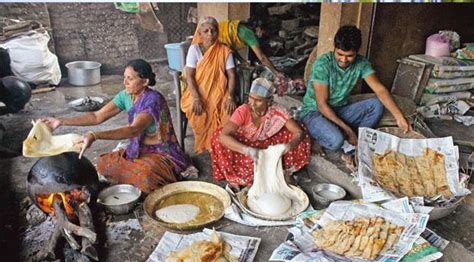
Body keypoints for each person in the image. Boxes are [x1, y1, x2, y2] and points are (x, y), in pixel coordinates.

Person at [42, 59, 195, 194]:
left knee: (146, 178)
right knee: (102, 164)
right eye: (124, 78)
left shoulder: (152, 100)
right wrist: (60, 121)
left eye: (130, 78)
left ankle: (165, 173)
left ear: (145, 82)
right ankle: (133, 177)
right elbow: (97, 116)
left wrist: (95, 136)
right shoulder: (126, 95)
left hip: (161, 153)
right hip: (139, 150)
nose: (125, 82)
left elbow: (133, 130)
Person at [300, 25, 411, 167]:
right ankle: (321, 137)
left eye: (349, 56)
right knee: (336, 141)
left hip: (339, 110)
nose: (344, 60)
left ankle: (357, 142)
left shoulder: (362, 63)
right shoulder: (323, 65)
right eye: (339, 54)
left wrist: (399, 117)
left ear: (357, 53)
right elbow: (322, 105)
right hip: (314, 112)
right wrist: (349, 130)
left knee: (376, 104)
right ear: (334, 48)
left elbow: (380, 90)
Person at [210, 77, 311, 189]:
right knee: (217, 136)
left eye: (258, 100)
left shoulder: (278, 111)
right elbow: (223, 136)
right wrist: (247, 150)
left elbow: (298, 132)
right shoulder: (243, 111)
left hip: (267, 144)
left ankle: (283, 170)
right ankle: (236, 178)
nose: (252, 103)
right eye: (250, 98)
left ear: (269, 102)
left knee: (301, 130)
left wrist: (288, 146)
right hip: (245, 145)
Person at [181, 16, 237, 154]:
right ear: (200, 34)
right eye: (206, 31)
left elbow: (231, 75)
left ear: (218, 33)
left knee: (228, 112)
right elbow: (189, 75)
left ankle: (221, 147)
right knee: (197, 111)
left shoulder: (224, 51)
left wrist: (230, 96)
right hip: (197, 92)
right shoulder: (194, 50)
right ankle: (206, 146)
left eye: (213, 31)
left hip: (220, 91)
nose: (210, 34)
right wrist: (196, 97)